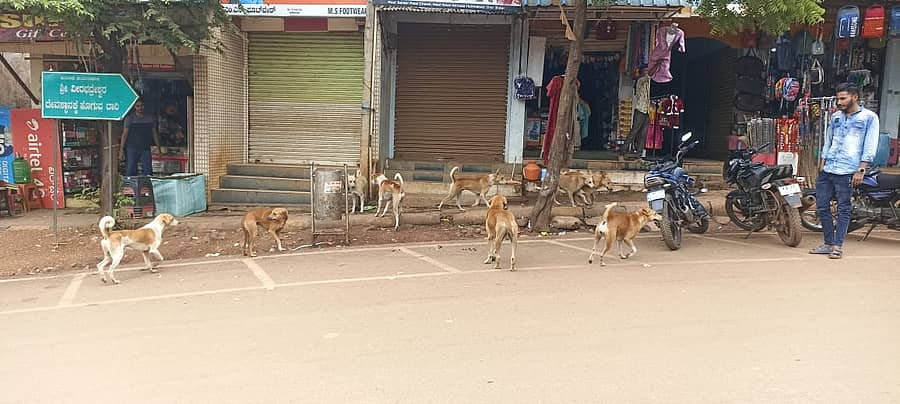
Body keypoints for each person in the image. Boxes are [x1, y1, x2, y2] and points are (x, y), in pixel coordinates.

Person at [810, 83, 880, 259]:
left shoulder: (869, 117)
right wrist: (822, 162)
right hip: (829, 169)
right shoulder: (835, 117)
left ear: (854, 97)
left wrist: (861, 169)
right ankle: (828, 243)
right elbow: (828, 140)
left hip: (848, 170)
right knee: (822, 206)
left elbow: (870, 144)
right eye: (838, 99)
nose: (839, 102)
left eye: (843, 98)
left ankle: (837, 246)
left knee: (844, 209)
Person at [119, 99, 161, 176]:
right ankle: (129, 184)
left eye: (141, 106)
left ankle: (147, 184)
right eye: (138, 106)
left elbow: (154, 133)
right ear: (134, 107)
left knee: (148, 171)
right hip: (132, 148)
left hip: (145, 148)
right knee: (130, 170)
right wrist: (121, 150)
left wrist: (158, 147)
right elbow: (124, 134)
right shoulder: (130, 118)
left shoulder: (150, 118)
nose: (140, 108)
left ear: (144, 106)